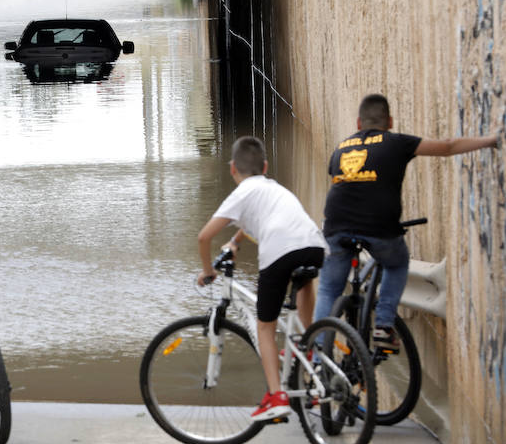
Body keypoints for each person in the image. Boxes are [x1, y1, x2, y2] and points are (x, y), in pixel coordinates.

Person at [313, 93, 501, 348]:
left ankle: (316, 358)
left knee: (327, 290)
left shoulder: (341, 148)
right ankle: (383, 326)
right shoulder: (396, 142)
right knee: (397, 263)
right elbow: (447, 147)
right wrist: (492, 140)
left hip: (335, 227)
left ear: (358, 123)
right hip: (378, 228)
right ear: (389, 121)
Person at [198, 136, 327, 421]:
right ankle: (314, 355)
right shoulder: (274, 188)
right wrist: (234, 241)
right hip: (314, 246)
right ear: (265, 166)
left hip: (280, 252)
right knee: (304, 285)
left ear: (232, 168)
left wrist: (208, 271)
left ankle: (276, 396)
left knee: (265, 328)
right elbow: (258, 218)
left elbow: (204, 236)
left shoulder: (241, 193)